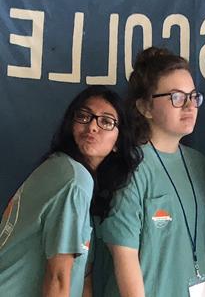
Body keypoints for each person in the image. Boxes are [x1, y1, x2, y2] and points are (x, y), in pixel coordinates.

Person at [0, 85, 140, 297]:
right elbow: (58, 278)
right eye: (84, 116)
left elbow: (82, 277)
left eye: (106, 121)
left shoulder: (68, 171)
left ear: (118, 143)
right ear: (71, 125)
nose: (93, 126)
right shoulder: (74, 179)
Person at [99, 47, 205, 296]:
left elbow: (198, 254)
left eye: (193, 96)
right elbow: (124, 257)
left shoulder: (199, 164)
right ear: (145, 107)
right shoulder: (129, 166)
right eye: (176, 97)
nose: (189, 106)